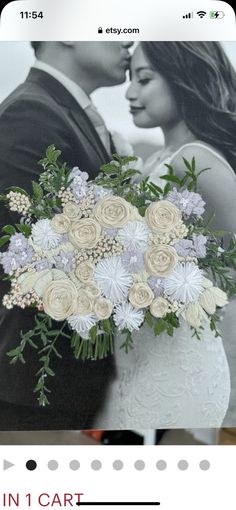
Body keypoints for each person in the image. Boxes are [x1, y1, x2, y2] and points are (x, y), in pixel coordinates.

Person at [94, 42, 236, 429]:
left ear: (183, 79)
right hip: (145, 363)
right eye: (129, 80)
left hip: (197, 363)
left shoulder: (199, 160)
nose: (129, 93)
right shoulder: (158, 159)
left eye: (144, 79)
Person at [0, 41, 133, 430]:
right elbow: (31, 258)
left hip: (68, 381)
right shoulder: (30, 113)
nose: (125, 38)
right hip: (39, 384)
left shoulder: (58, 110)